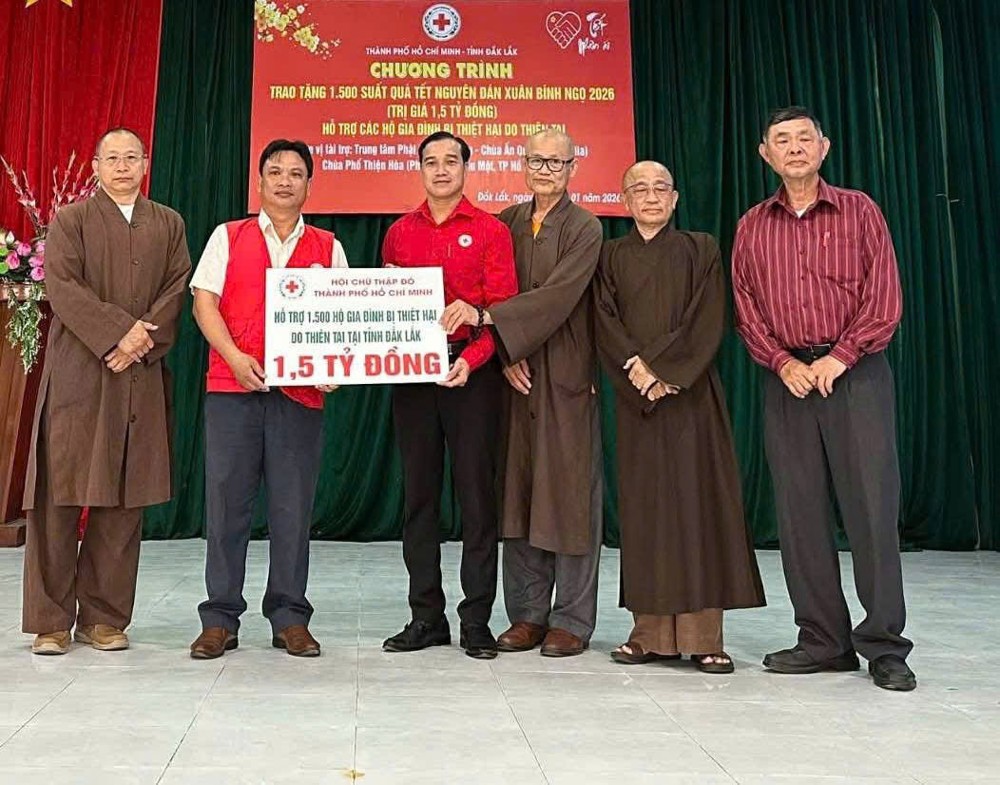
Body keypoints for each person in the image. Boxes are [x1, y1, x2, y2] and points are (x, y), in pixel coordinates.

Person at [732, 106, 914, 691]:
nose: (794, 147)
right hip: (787, 380)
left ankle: (884, 645)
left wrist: (841, 356)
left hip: (856, 376)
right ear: (765, 154)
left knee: (871, 511)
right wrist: (782, 362)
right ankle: (823, 641)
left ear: (824, 146)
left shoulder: (860, 210)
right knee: (800, 515)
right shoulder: (751, 225)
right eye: (781, 139)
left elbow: (883, 295)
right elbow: (746, 307)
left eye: (803, 138)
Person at [21, 127, 191, 655]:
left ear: (145, 164)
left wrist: (140, 341)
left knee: (123, 498)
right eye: (111, 158)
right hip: (79, 374)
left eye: (131, 158)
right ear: (95, 167)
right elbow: (63, 287)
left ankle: (104, 618)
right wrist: (121, 334)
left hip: (137, 376)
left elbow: (176, 289)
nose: (121, 167)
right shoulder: (71, 220)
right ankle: (51, 621)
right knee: (59, 496)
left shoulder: (168, 223)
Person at [595, 161, 765, 673]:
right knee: (646, 515)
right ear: (625, 201)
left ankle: (704, 637)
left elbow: (709, 317)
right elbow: (603, 320)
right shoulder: (609, 256)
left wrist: (663, 371)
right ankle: (648, 635)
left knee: (699, 510)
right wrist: (639, 373)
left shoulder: (702, 248)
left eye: (660, 188)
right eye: (639, 189)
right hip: (636, 402)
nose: (650, 197)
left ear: (675, 198)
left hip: (691, 397)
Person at [446, 127, 604, 657]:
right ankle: (528, 614)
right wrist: (506, 352)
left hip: (566, 371)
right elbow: (489, 285)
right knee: (518, 491)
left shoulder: (585, 227)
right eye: (536, 161)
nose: (545, 171)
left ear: (572, 168)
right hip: (513, 372)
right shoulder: (506, 222)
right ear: (522, 165)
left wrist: (491, 321)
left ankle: (572, 619)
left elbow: (558, 296)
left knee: (570, 494)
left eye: (556, 162)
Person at [188, 139, 346, 659]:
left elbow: (342, 322)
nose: (284, 181)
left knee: (292, 509)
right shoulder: (227, 236)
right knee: (226, 506)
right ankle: (219, 618)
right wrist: (234, 356)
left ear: (309, 185)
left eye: (296, 173)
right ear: (259, 181)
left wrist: (333, 368)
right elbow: (204, 304)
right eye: (275, 171)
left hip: (299, 397)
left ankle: (289, 616)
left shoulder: (328, 247)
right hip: (232, 388)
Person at [380, 131, 517, 660]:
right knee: (419, 497)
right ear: (420, 169)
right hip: (412, 374)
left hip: (471, 374)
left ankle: (477, 620)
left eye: (451, 161)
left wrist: (471, 360)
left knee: (477, 498)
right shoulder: (398, 233)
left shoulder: (490, 230)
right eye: (431, 161)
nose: (441, 170)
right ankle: (426, 617)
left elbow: (502, 309)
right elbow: (387, 307)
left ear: (465, 168)